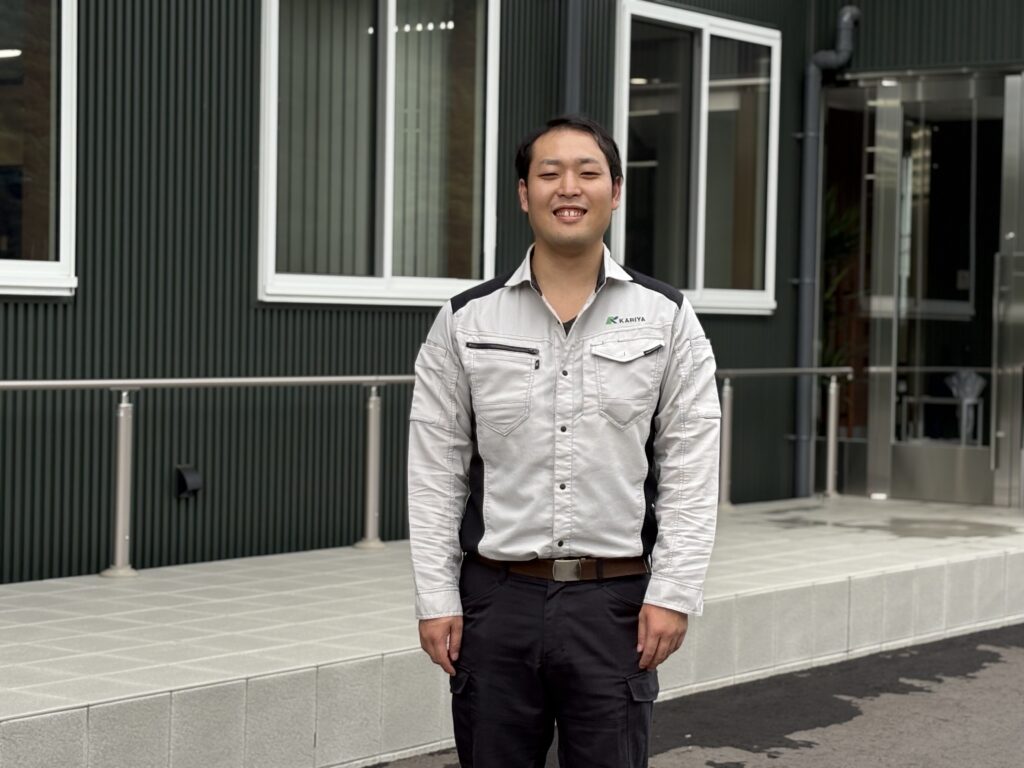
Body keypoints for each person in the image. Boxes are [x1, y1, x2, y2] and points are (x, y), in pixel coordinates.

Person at [407, 115, 720, 768]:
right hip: (496, 602)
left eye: (588, 172)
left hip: (614, 606)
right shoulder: (466, 320)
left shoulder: (666, 317)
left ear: (616, 190)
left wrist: (673, 592)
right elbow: (435, 472)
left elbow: (691, 465)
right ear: (524, 193)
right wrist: (436, 598)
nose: (568, 187)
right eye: (549, 174)